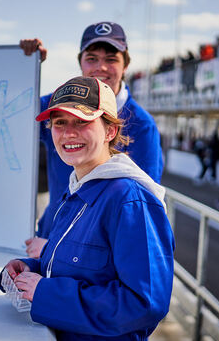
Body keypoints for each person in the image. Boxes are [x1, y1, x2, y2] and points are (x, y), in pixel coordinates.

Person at [0, 76, 175, 340]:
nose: (69, 133)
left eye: (82, 122)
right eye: (60, 123)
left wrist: (45, 293)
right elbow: (84, 270)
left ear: (110, 131)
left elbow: (144, 304)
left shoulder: (129, 200)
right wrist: (31, 268)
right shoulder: (77, 189)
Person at [21, 21, 163, 258]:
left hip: (93, 252)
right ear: (80, 63)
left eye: (111, 59)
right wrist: (26, 66)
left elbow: (144, 206)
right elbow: (14, 112)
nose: (101, 67)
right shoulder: (57, 104)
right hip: (50, 237)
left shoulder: (143, 126)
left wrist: (62, 250)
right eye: (92, 59)